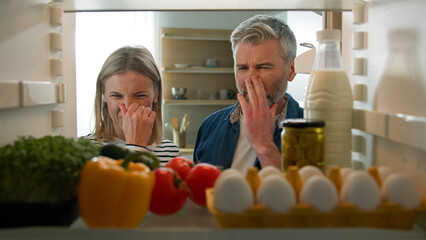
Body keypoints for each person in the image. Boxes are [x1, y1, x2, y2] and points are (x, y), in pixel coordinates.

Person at [193, 15, 303, 173]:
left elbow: (304, 196)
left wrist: (264, 145)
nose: (250, 80)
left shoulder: (313, 131)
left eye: (263, 67)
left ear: (291, 70)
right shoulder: (210, 127)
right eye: (242, 68)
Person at [87, 46, 180, 166]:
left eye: (139, 95)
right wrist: (136, 146)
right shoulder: (86, 150)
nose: (128, 107)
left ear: (156, 94)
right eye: (116, 95)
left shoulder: (171, 152)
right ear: (103, 95)